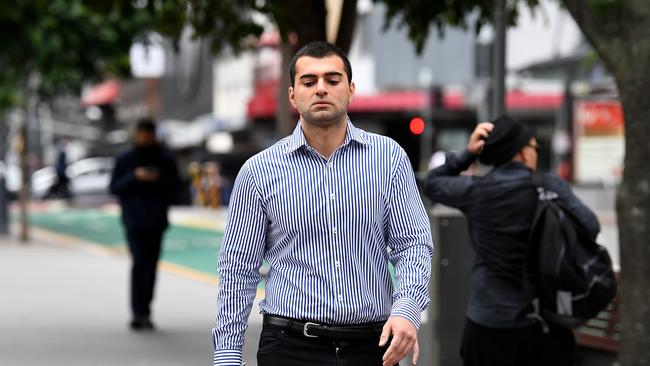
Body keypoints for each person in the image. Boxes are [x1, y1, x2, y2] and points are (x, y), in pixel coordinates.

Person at [212, 41, 434, 366]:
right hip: (290, 346)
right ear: (292, 95)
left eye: (332, 80)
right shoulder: (259, 171)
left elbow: (413, 245)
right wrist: (227, 356)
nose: (321, 89)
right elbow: (237, 270)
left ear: (351, 89)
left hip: (372, 346)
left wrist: (407, 310)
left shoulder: (389, 159)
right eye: (308, 81)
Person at [422, 116, 601, 366]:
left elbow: (432, 183)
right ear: (522, 152)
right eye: (534, 147)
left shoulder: (476, 191)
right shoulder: (550, 185)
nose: (535, 153)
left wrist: (468, 153)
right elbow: (591, 226)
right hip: (545, 320)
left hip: (488, 321)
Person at [110, 118, 181, 330]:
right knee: (139, 263)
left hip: (156, 221)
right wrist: (135, 177)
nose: (145, 138)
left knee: (151, 266)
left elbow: (175, 187)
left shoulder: (165, 158)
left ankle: (146, 311)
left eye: (149, 134)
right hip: (133, 220)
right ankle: (137, 312)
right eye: (142, 133)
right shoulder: (125, 158)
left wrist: (157, 179)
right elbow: (114, 187)